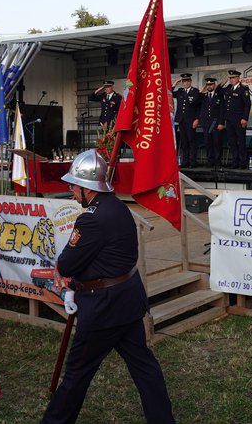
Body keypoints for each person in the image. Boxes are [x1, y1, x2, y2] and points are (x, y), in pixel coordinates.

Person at [41, 150, 175, 424]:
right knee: (144, 367)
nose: (70, 190)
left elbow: (66, 264)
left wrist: (73, 281)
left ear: (86, 188)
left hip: (103, 307)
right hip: (127, 301)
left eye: (73, 185)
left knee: (77, 374)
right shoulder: (118, 207)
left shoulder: (90, 219)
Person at [222, 69, 251, 169]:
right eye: (230, 78)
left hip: (239, 119)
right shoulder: (228, 88)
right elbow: (217, 91)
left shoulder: (243, 89)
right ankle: (235, 161)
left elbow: (247, 104)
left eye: (233, 78)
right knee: (232, 141)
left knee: (241, 141)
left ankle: (242, 162)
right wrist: (223, 82)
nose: (232, 80)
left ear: (238, 78)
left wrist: (245, 118)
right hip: (229, 119)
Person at [172, 73, 201, 168]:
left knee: (191, 141)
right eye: (184, 82)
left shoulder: (195, 91)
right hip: (181, 120)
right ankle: (185, 161)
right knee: (184, 142)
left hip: (191, 120)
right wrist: (174, 85)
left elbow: (198, 107)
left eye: (187, 81)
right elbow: (169, 93)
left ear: (190, 81)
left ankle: (193, 162)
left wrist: (197, 119)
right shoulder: (180, 91)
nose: (186, 83)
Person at [198, 77, 223, 168]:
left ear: (214, 85)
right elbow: (195, 101)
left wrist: (221, 123)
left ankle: (218, 162)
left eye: (211, 84)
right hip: (206, 124)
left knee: (217, 143)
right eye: (207, 85)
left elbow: (221, 110)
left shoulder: (218, 95)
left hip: (216, 123)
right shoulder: (203, 96)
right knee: (207, 143)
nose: (209, 86)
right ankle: (210, 161)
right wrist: (202, 90)